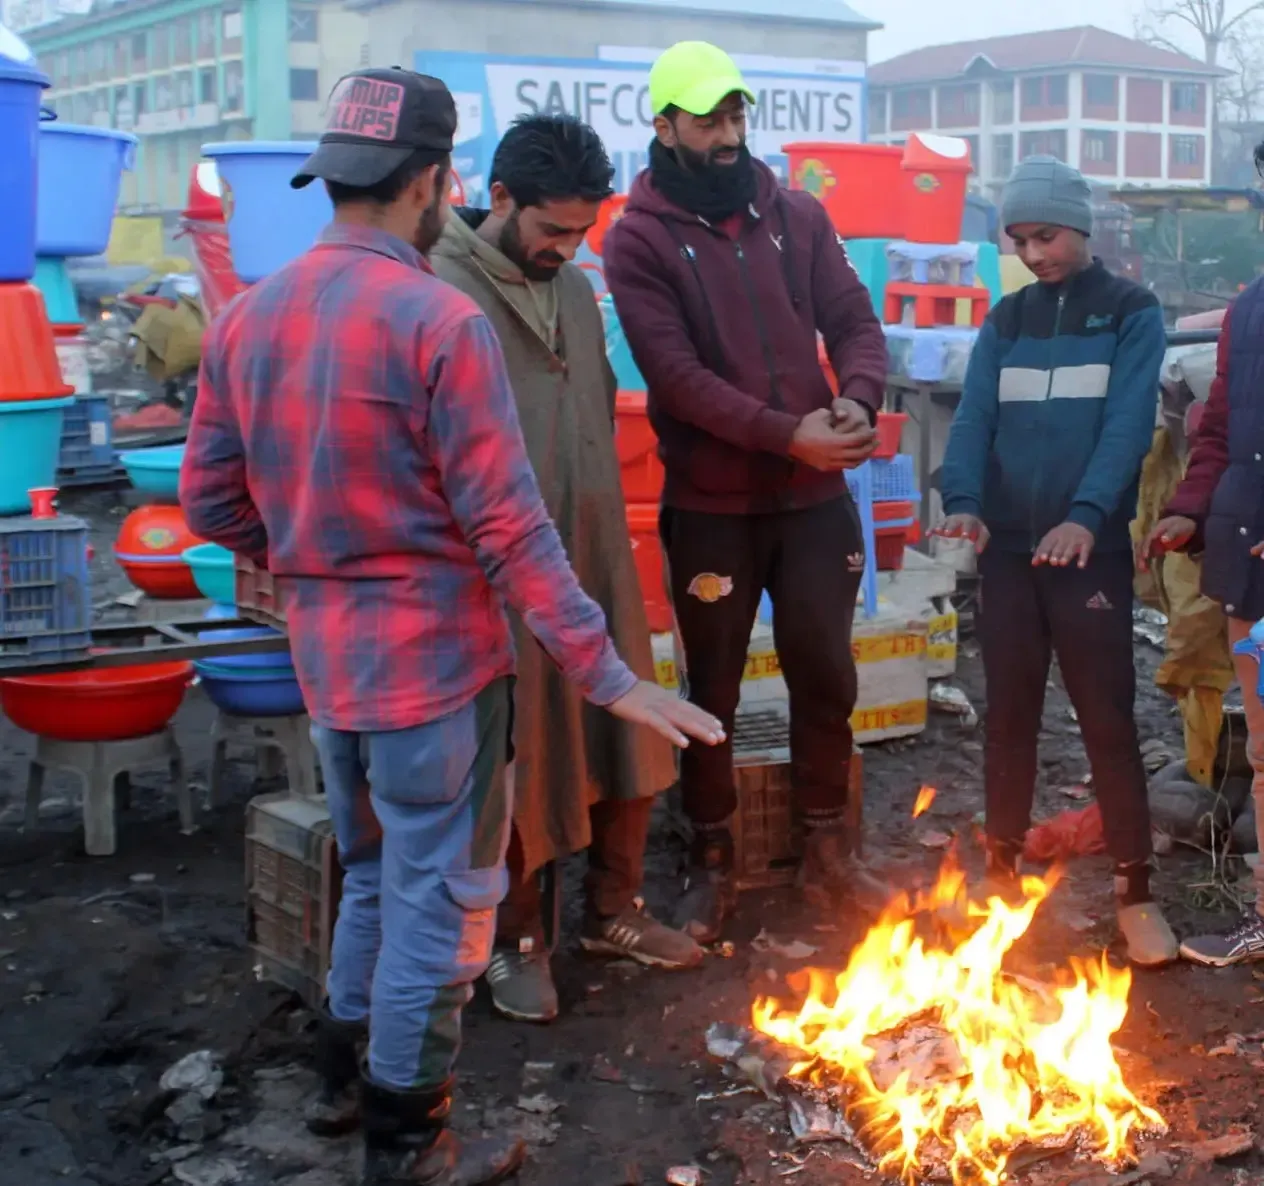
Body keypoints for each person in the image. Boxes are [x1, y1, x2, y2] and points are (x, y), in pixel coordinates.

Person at [179, 67, 723, 1186]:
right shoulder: (440, 318)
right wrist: (613, 677)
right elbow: (511, 530)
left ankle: (341, 1082)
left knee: (374, 871)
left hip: (330, 668)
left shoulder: (248, 317)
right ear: (432, 182)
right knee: (446, 899)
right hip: (439, 674)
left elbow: (212, 505)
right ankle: (410, 1144)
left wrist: (319, 558)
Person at [603, 41, 890, 945]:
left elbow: (854, 320)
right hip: (713, 504)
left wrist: (856, 398)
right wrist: (785, 433)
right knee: (712, 689)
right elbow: (677, 377)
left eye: (736, 116)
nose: (728, 136)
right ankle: (711, 855)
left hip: (813, 500)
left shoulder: (795, 214)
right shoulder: (638, 239)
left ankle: (827, 848)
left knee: (825, 670)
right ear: (664, 126)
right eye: (707, 120)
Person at [430, 113, 701, 1024]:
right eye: (552, 229)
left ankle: (614, 909)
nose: (568, 248)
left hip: (594, 550)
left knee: (631, 729)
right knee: (521, 752)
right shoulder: (439, 288)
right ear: (500, 197)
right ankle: (514, 940)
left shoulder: (579, 295)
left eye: (583, 230)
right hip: (496, 571)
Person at [937, 155, 1178, 968]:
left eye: (1046, 236)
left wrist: (1085, 517)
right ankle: (1001, 875)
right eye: (1020, 241)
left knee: (1106, 718)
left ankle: (1135, 893)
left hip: (1088, 556)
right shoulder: (1008, 319)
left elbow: (1129, 425)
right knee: (1007, 714)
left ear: (1079, 225)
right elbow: (973, 417)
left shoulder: (1130, 312)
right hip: (1008, 553)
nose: (1034, 254)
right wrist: (964, 499)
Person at [1143, 142, 1264, 967]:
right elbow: (1218, 427)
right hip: (1251, 572)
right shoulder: (1249, 313)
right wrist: (1189, 509)